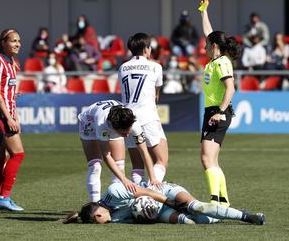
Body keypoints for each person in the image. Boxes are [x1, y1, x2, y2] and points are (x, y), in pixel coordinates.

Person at [63, 181, 265, 225]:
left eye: (100, 221)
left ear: (98, 213)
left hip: (164, 192)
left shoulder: (114, 191)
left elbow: (147, 191)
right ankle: (221, 216)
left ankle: (246, 216)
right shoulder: (112, 219)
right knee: (192, 222)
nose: (105, 223)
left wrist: (170, 202)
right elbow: (138, 220)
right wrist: (147, 216)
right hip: (157, 212)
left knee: (197, 207)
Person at [78, 100, 161, 202]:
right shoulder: (102, 124)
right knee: (95, 166)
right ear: (114, 128)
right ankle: (94, 204)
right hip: (88, 123)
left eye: (128, 131)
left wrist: (153, 178)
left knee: (119, 166)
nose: (127, 136)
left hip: (112, 120)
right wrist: (124, 180)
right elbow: (107, 155)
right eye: (123, 133)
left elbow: (144, 152)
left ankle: (115, 203)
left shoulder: (134, 124)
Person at [200, 0, 240, 207]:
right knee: (212, 160)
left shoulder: (222, 62)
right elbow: (209, 33)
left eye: (207, 44)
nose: (204, 46)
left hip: (218, 112)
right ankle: (223, 201)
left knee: (206, 158)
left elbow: (231, 87)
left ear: (214, 46)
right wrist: (204, 11)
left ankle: (215, 201)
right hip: (213, 112)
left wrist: (220, 112)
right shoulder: (215, 60)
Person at [118, 33, 169, 185]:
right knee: (161, 160)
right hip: (147, 117)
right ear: (147, 49)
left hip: (128, 118)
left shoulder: (122, 67)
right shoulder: (155, 67)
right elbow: (157, 91)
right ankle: (150, 194)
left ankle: (138, 197)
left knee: (137, 165)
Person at [0, 29, 25, 211]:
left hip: (6, 115)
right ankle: (4, 197)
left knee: (0, 156)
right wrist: (9, 118)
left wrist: (16, 116)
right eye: (13, 41)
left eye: (19, 41)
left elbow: (8, 94)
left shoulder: (11, 63)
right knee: (18, 154)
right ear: (3, 43)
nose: (18, 44)